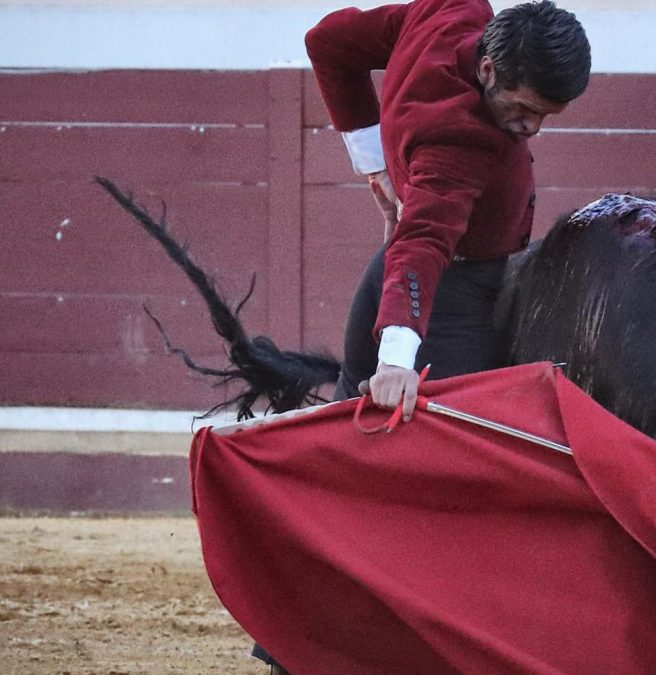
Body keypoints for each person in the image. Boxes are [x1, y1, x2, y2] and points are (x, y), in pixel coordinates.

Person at [253, 1, 590, 671]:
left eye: (546, 115)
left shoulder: (451, 11)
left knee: (356, 472)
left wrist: (371, 159)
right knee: (456, 491)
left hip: (399, 282)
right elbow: (426, 241)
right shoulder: (460, 139)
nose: (532, 129)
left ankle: (292, 635)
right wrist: (400, 357)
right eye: (523, 109)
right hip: (448, 305)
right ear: (488, 69)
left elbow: (328, 43)